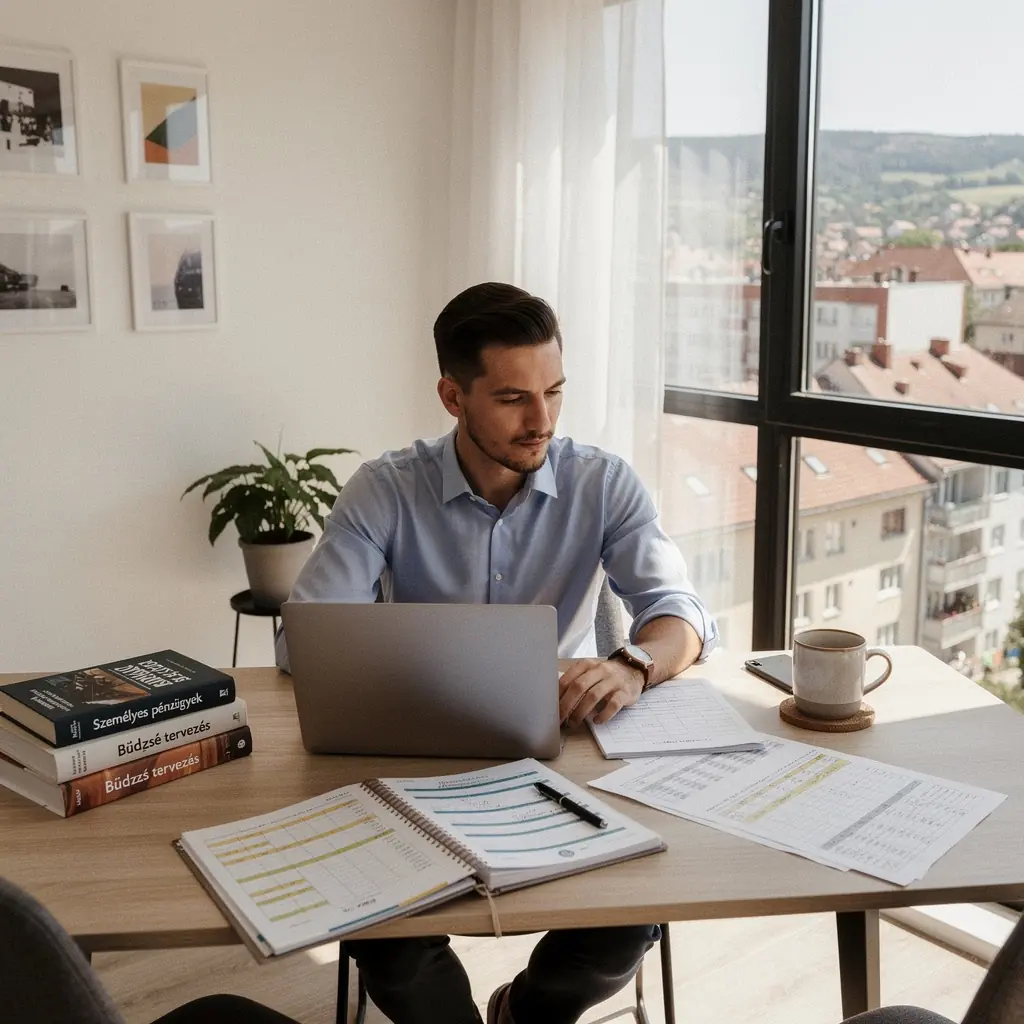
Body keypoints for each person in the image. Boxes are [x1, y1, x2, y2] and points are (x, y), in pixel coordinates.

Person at [275, 282, 718, 1024]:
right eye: (514, 398)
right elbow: (306, 639)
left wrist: (632, 665)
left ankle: (526, 1014)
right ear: (453, 396)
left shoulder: (602, 483)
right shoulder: (385, 490)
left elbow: (682, 615)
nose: (541, 419)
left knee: (629, 918)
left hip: (558, 754)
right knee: (386, 940)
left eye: (554, 391)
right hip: (408, 764)